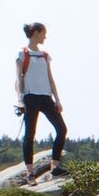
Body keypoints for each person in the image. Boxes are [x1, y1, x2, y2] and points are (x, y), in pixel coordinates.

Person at [15, 22, 67, 173]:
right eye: (44, 33)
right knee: (30, 134)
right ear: (36, 33)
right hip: (30, 97)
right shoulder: (22, 53)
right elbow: (18, 79)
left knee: (62, 129)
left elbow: (50, 78)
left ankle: (55, 167)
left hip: (46, 97)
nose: (45, 36)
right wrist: (20, 101)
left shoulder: (45, 55)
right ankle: (30, 173)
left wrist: (57, 100)